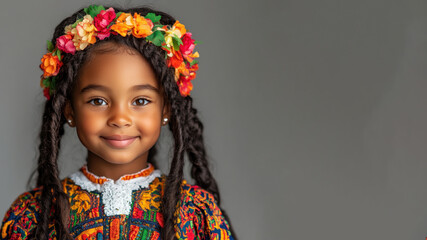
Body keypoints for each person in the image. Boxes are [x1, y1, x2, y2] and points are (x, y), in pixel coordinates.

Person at [0, 4, 235, 240]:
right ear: (69, 111)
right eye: (98, 101)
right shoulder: (30, 216)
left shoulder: (196, 213)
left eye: (141, 101)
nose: (120, 119)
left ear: (166, 110)